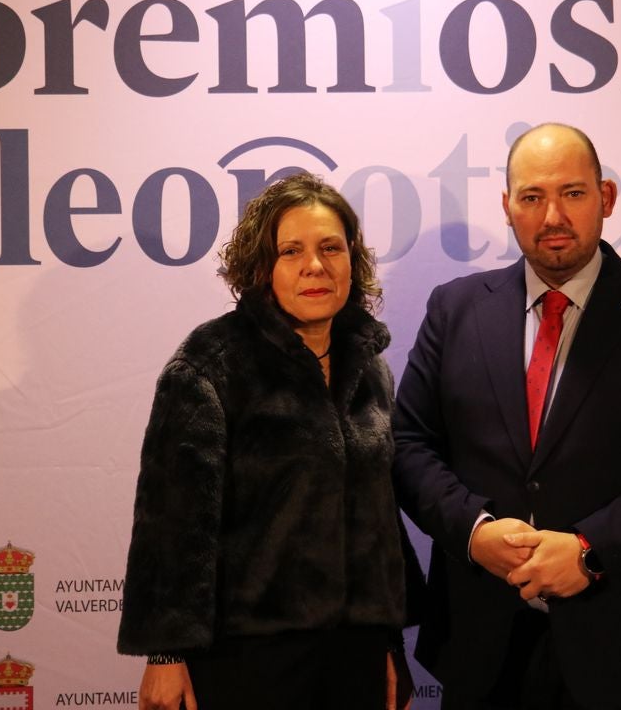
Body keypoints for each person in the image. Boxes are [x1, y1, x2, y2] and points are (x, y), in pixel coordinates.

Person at [392, 123, 621, 710]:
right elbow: (408, 445)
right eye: (532, 197)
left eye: (572, 194)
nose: (552, 214)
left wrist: (590, 548)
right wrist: (472, 532)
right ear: (508, 208)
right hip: (482, 642)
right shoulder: (455, 309)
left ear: (605, 198)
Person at [118, 172, 414, 710]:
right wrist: (165, 655)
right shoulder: (210, 366)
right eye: (291, 251)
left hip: (355, 656)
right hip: (246, 661)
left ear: (353, 260)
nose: (315, 266)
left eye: (331, 248)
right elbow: (172, 524)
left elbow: (379, 523)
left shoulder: (368, 366)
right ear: (261, 268)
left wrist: (389, 642)